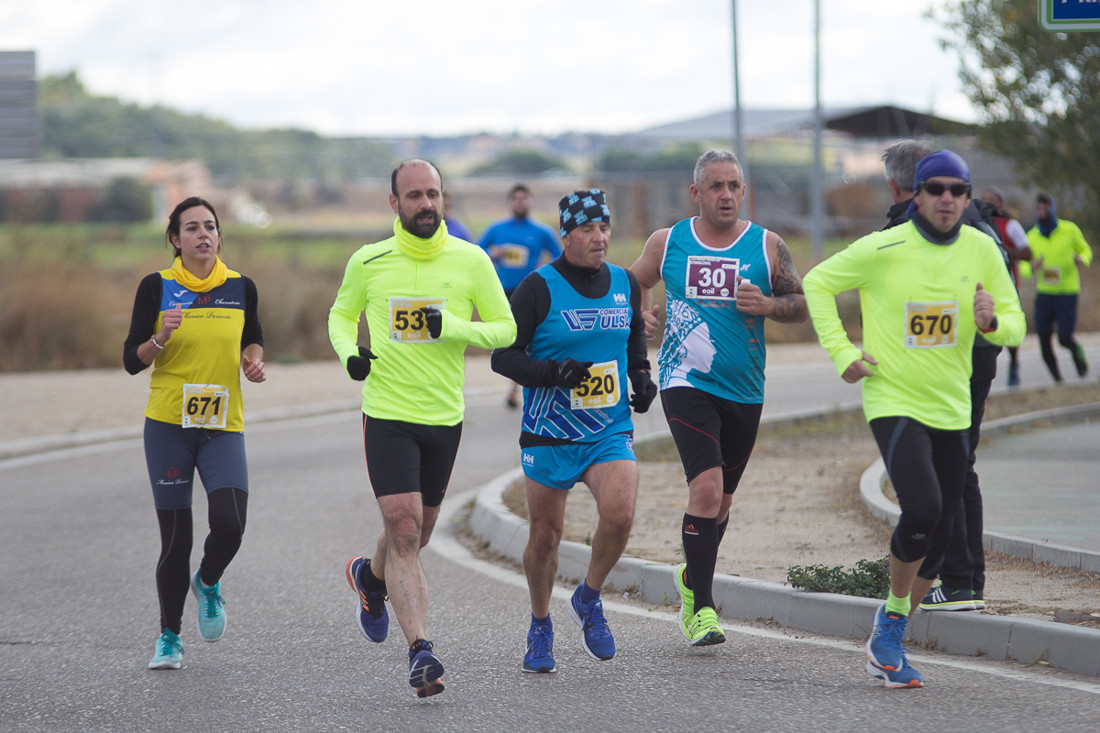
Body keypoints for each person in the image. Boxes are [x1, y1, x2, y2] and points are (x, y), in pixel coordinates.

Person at [802, 150, 1025, 688]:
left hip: (952, 404)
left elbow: (1016, 324)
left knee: (942, 532)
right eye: (937, 189)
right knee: (921, 508)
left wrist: (991, 320)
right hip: (892, 398)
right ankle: (893, 625)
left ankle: (891, 625)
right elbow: (817, 283)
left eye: (958, 190)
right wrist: (842, 352)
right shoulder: (883, 247)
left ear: (968, 198)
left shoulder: (981, 249)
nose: (947, 198)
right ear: (917, 196)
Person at [328, 159, 516, 698]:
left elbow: (505, 329)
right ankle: (421, 653)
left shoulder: (471, 259)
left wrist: (451, 326)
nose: (426, 204)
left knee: (420, 531)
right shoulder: (369, 261)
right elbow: (340, 317)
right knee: (405, 527)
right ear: (395, 204)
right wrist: (350, 356)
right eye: (414, 196)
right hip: (387, 412)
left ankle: (370, 577)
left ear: (444, 199)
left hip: (444, 417)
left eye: (433, 194)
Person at [629, 149, 809, 647]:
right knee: (705, 489)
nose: (725, 194)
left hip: (745, 389)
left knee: (722, 502)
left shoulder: (767, 245)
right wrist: (641, 319)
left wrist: (770, 304)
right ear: (696, 193)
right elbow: (631, 282)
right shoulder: (669, 242)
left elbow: (800, 306)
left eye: (733, 185)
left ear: (743, 190)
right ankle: (702, 608)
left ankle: (690, 579)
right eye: (715, 186)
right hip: (685, 380)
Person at [491, 189, 656, 673]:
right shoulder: (538, 288)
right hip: (550, 432)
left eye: (604, 228)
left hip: (608, 430)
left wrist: (641, 377)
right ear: (566, 235)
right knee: (546, 536)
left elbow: (631, 335)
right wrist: (551, 373)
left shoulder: (625, 281)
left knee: (620, 514)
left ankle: (589, 596)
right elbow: (504, 356)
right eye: (588, 229)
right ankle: (540, 624)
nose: (599, 238)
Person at [123, 196, 266, 671]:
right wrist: (159, 338)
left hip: (222, 423)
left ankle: (208, 582)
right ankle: (168, 637)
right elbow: (131, 360)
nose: (203, 235)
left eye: (210, 226)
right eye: (192, 228)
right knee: (175, 540)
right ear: (175, 239)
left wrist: (253, 358)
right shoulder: (157, 288)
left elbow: (254, 334)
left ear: (219, 235)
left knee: (230, 523)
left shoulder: (240, 286)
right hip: (169, 425)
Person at [881, 141, 1014, 615]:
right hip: (976, 356)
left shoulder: (911, 227)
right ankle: (964, 579)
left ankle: (955, 579)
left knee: (944, 469)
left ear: (902, 188)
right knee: (959, 465)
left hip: (950, 362)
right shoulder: (977, 220)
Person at [479, 183, 563, 408]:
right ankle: (518, 385)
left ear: (530, 202)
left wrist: (543, 265)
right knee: (510, 341)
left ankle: (515, 389)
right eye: (515, 199)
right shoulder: (497, 229)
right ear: (509, 203)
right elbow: (476, 252)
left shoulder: (542, 231)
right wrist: (492, 254)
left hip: (531, 293)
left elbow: (561, 257)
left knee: (525, 341)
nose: (520, 203)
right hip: (504, 291)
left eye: (524, 198)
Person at [1025, 192, 1093, 382]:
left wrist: (1082, 259)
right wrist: (1031, 267)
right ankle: (1058, 379)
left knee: (1064, 337)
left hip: (1067, 291)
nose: (1041, 213)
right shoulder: (1032, 236)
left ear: (1052, 209)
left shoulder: (1069, 229)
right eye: (1038, 209)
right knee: (1044, 338)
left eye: (1045, 209)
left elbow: (1086, 249)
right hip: (1045, 293)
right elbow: (1023, 265)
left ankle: (1077, 352)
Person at [981, 186, 1032, 387]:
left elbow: (1028, 254)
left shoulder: (1010, 226)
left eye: (991, 200)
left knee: (1008, 325)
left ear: (1001, 204)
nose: (987, 203)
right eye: (983, 199)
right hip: (984, 286)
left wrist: (1002, 249)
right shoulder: (975, 224)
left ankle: (1013, 363)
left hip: (1008, 285)